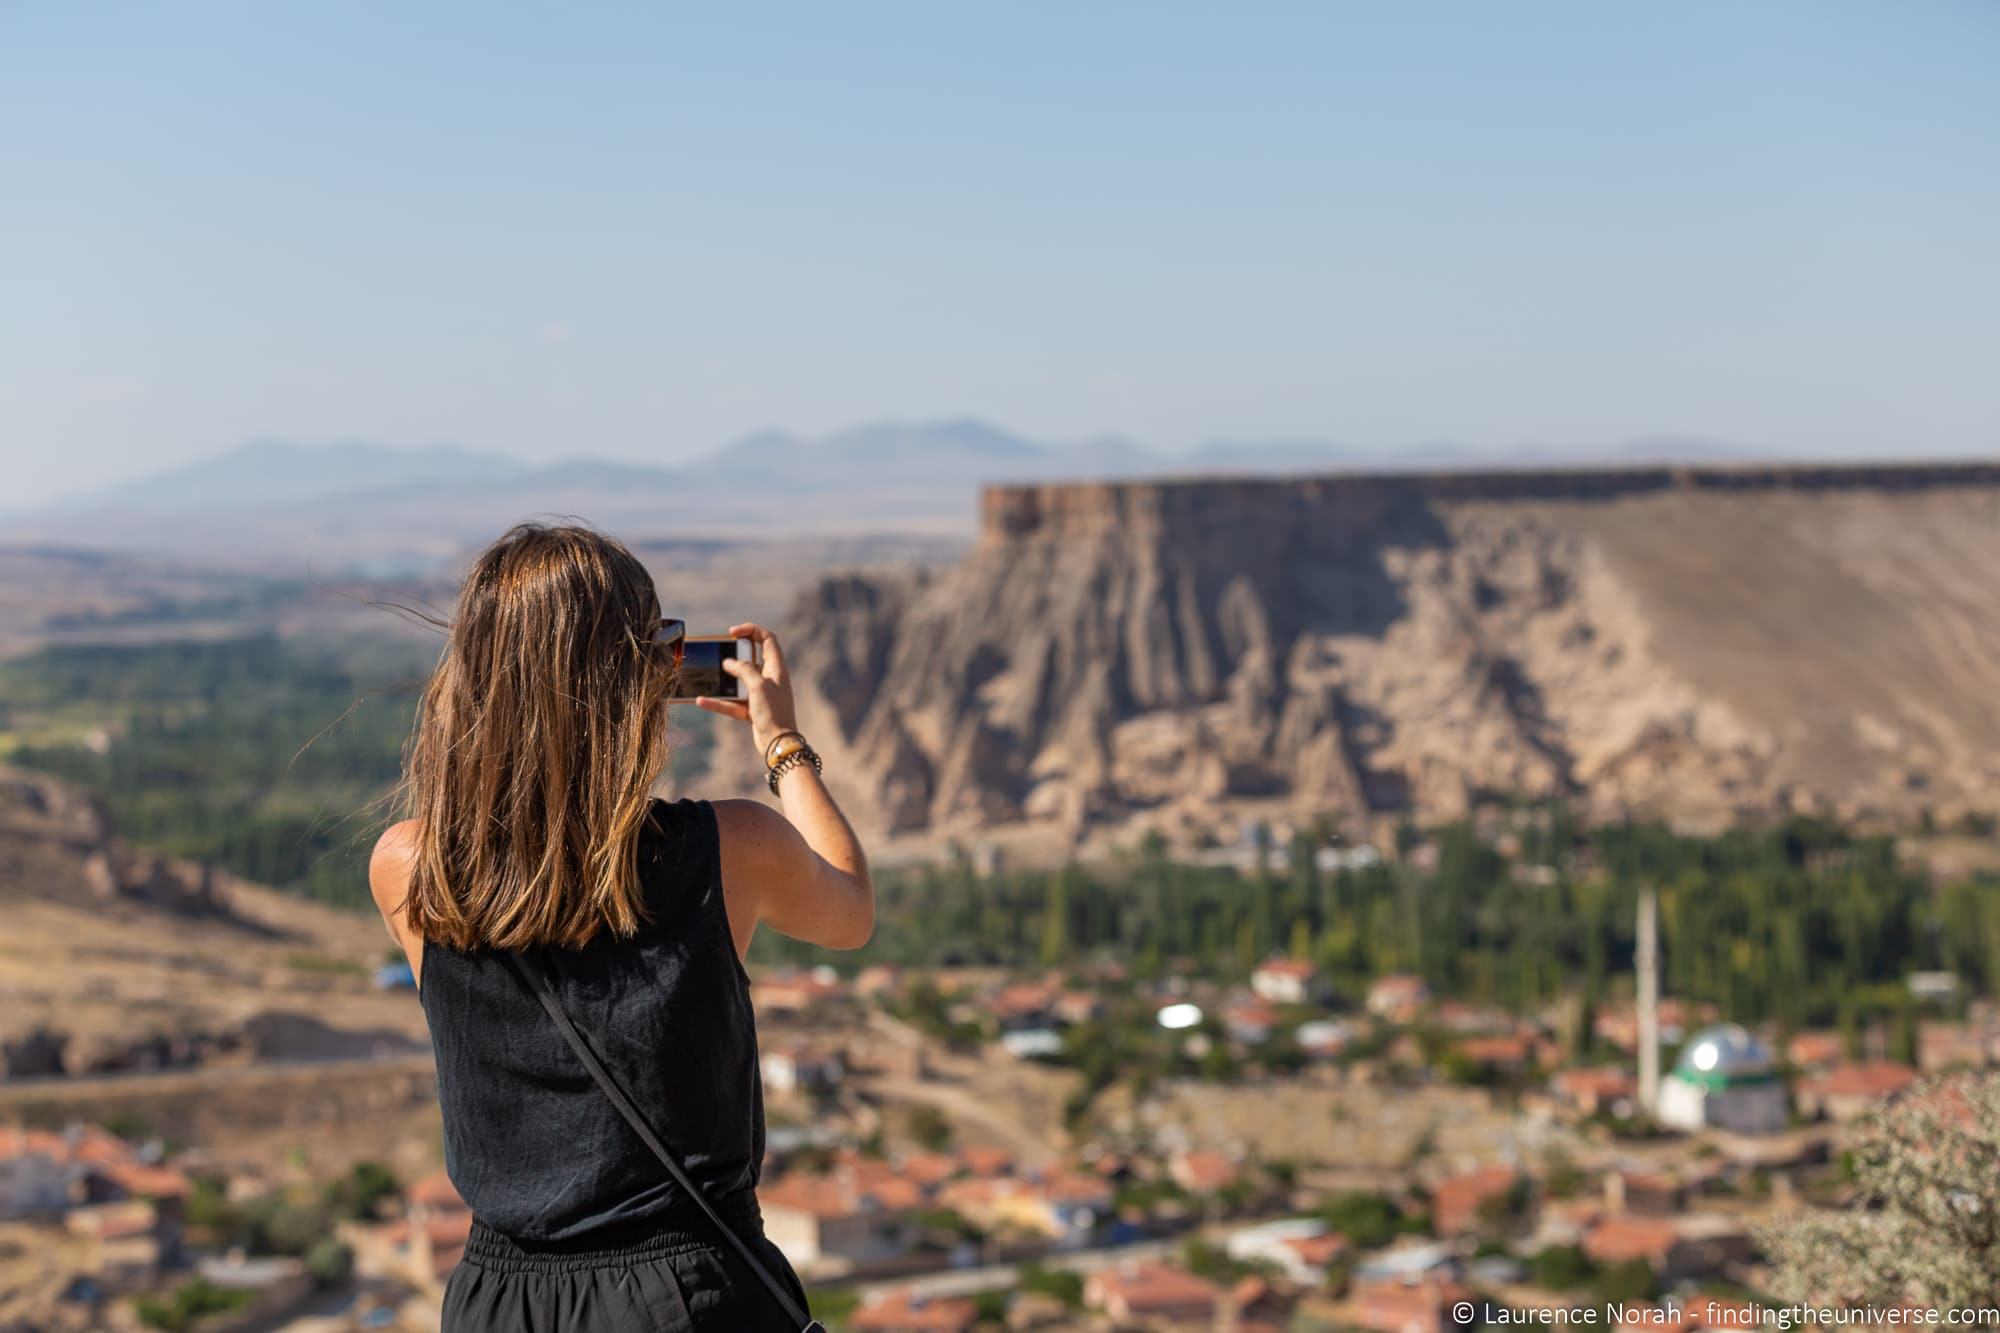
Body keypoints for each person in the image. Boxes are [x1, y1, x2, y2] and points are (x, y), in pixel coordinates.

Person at [369, 522, 871, 1331]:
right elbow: (849, 908)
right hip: (691, 1299)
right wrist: (781, 742)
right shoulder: (730, 848)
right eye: (661, 646)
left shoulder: (407, 868)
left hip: (502, 1304)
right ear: (636, 684)